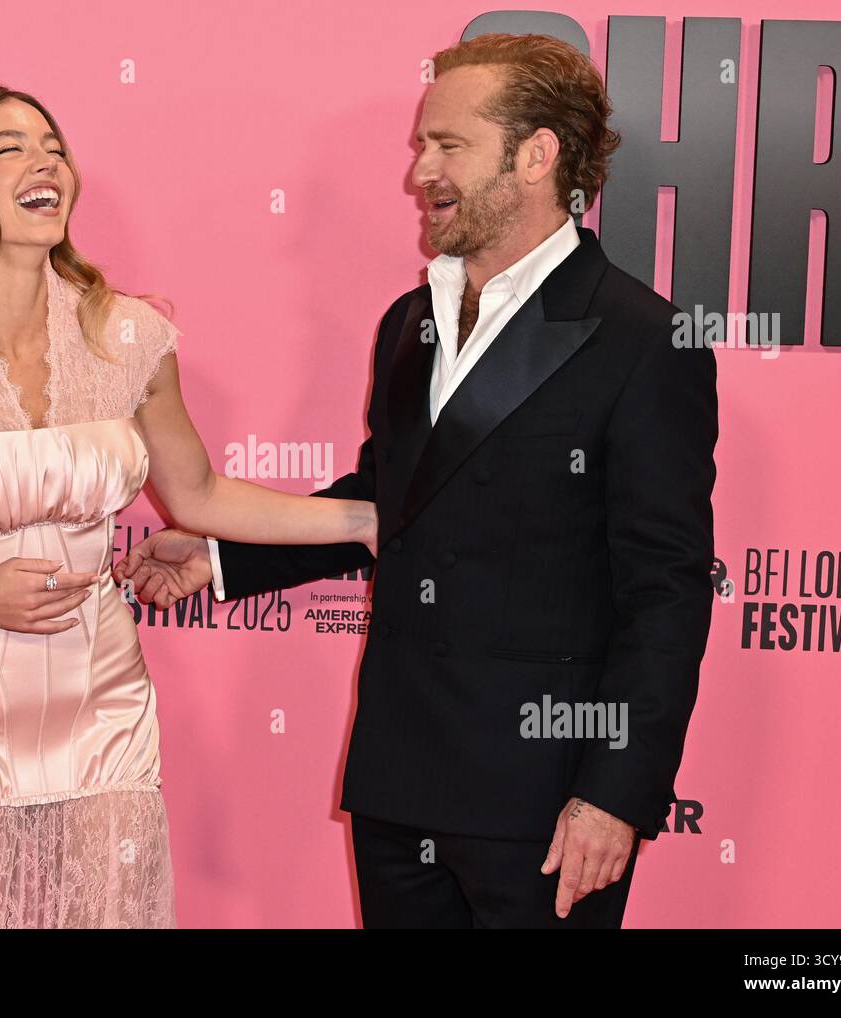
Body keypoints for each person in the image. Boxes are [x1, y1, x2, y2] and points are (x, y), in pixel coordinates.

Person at [114, 33, 719, 928]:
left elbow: (667, 592)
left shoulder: (641, 337)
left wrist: (616, 795)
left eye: (447, 145)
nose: (418, 172)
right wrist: (222, 556)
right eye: (419, 146)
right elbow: (398, 504)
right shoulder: (409, 321)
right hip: (399, 780)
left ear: (537, 154)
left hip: (544, 800)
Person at [0, 86, 375, 928]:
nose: (46, 161)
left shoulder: (129, 338)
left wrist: (367, 520)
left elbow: (201, 495)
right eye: (9, 148)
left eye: (53, 145)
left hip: (103, 709)